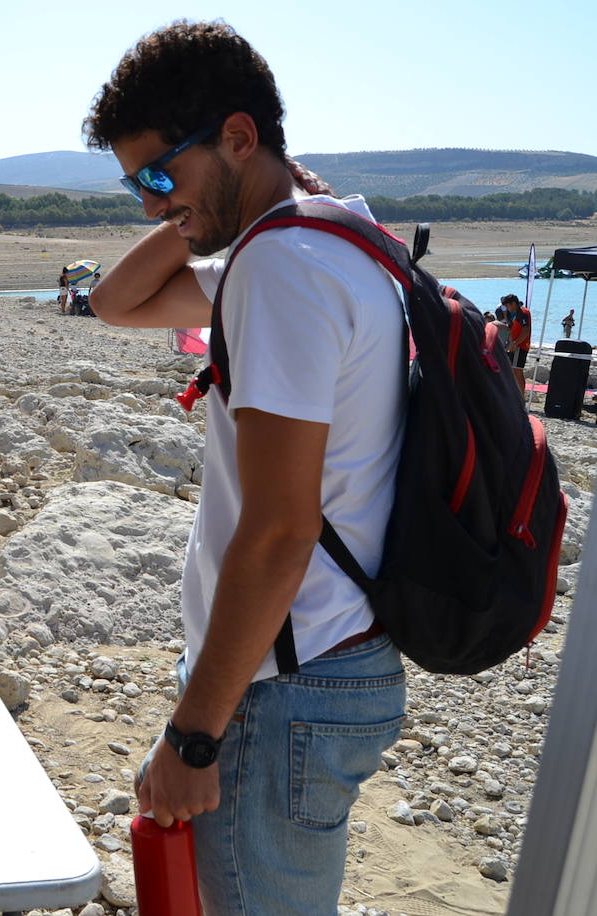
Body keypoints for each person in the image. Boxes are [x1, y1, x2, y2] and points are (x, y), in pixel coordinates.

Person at [84, 22, 407, 913]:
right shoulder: (341, 241)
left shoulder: (282, 271)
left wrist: (192, 737)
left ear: (237, 136)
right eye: (133, 185)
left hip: (283, 680)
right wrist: (201, 212)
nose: (148, 205)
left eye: (159, 175)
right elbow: (115, 302)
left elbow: (278, 530)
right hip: (327, 659)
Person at [503, 293, 532, 368]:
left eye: (507, 306)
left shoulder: (523, 312)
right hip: (516, 346)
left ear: (513, 303)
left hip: (519, 346)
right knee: (513, 370)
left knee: (516, 371)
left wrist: (515, 343)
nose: (507, 308)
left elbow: (526, 330)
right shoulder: (518, 313)